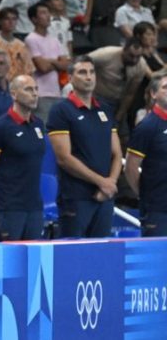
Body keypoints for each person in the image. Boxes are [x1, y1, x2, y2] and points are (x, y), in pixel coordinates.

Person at [48, 56, 122, 239]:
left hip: (105, 197)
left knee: (100, 255)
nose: (89, 77)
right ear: (70, 78)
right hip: (76, 198)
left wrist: (110, 183)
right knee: (72, 256)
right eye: (82, 72)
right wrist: (102, 182)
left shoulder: (105, 109)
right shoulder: (61, 111)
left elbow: (117, 152)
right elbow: (64, 158)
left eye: (91, 72)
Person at [0, 74, 47, 241]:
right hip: (9, 208)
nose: (35, 94)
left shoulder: (38, 124)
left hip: (34, 207)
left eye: (36, 89)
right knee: (9, 261)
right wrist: (1, 199)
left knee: (33, 260)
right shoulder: (0, 127)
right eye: (28, 89)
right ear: (14, 94)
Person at [125, 74, 167, 237]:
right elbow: (131, 167)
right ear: (153, 94)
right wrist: (145, 195)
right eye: (165, 87)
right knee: (159, 260)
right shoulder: (147, 127)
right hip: (158, 210)